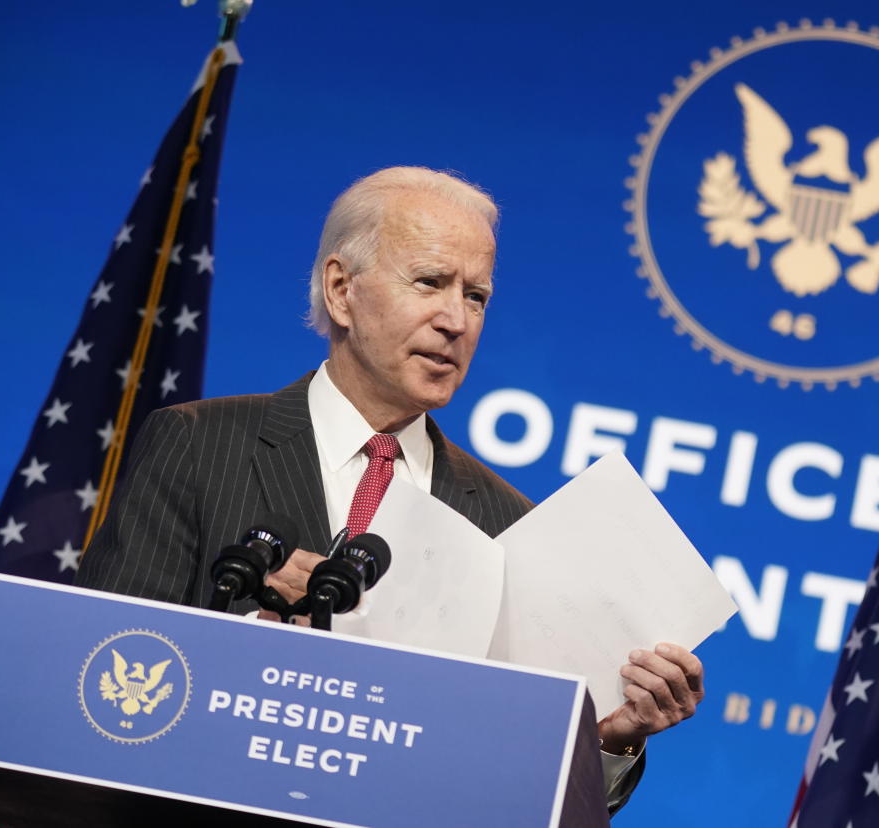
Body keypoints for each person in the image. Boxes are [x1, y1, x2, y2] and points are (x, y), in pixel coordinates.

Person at [76, 166, 705, 821]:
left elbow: (513, 791)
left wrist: (607, 739)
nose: (456, 320)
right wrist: (254, 640)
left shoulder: (505, 523)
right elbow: (95, 681)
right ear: (342, 289)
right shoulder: (198, 445)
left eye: (477, 296)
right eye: (430, 282)